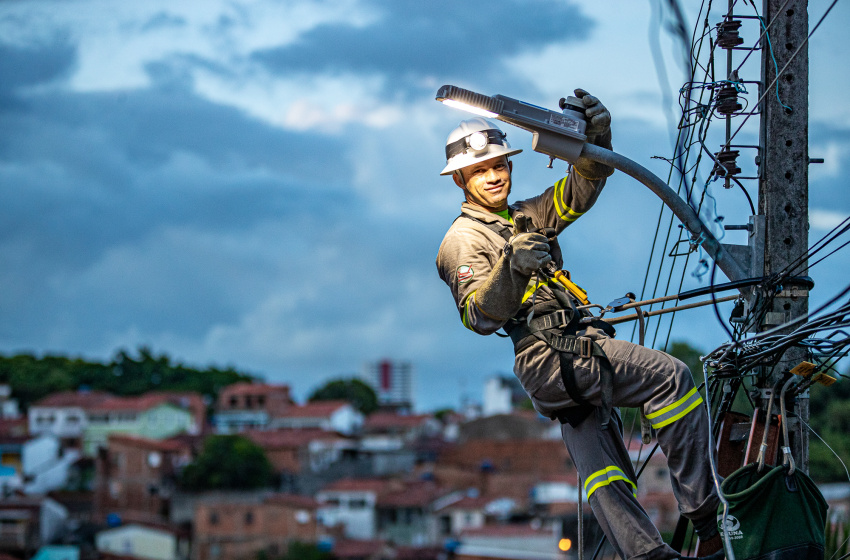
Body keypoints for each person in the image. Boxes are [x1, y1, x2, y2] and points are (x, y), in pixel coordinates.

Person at [435, 89, 722, 560]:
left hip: (568, 350)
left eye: (500, 165)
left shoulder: (527, 214)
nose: (493, 176)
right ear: (461, 180)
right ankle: (709, 519)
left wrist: (596, 141)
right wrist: (513, 266)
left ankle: (647, 555)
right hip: (550, 355)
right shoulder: (461, 241)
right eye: (480, 170)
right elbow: (479, 316)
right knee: (671, 378)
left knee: (604, 474)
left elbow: (580, 191)